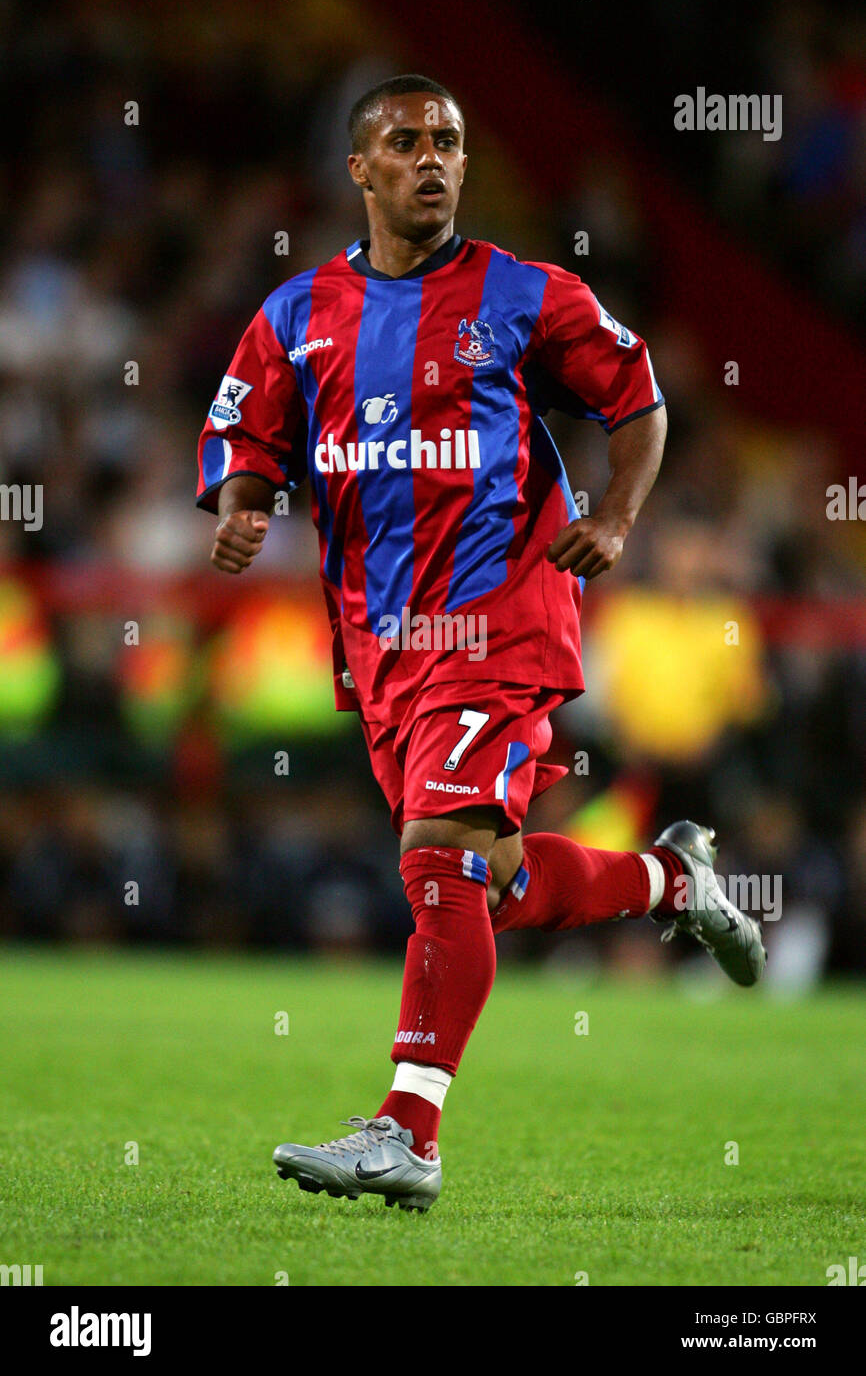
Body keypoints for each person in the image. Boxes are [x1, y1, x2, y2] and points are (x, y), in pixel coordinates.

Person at [196, 74, 766, 1213]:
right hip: (383, 650)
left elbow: (636, 393)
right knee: (486, 884)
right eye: (404, 143)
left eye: (448, 141)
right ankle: (671, 877)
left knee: (437, 859)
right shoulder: (296, 317)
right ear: (358, 169)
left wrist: (612, 516)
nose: (432, 159)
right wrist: (245, 503)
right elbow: (246, 432)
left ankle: (406, 1131)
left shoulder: (521, 295)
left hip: (501, 623)